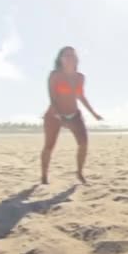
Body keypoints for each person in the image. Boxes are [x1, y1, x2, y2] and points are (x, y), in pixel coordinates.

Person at [41, 46, 102, 185]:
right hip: (54, 115)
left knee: (84, 144)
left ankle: (79, 172)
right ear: (60, 59)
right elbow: (52, 97)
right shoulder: (55, 75)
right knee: (49, 146)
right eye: (66, 55)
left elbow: (80, 96)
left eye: (72, 55)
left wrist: (93, 113)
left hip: (74, 115)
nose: (70, 58)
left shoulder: (80, 77)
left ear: (76, 59)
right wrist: (58, 115)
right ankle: (44, 176)